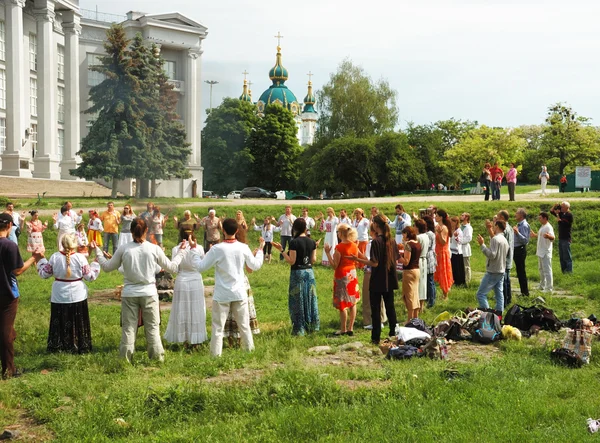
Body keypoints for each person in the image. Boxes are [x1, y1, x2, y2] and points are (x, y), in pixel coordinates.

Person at [94, 218, 185, 363]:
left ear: (131, 231)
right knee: (152, 328)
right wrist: (181, 252)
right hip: (149, 292)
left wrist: (98, 252)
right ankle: (157, 358)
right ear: (146, 231)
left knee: (129, 328)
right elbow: (172, 267)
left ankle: (125, 359)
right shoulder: (154, 248)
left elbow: (107, 267)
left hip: (130, 293)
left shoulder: (124, 249)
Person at [187, 219, 265, 357]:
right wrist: (260, 250)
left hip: (222, 294)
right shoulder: (243, 247)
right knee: (244, 325)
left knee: (218, 328)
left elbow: (200, 267)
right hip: (239, 293)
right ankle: (249, 351)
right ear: (236, 231)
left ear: (223, 230)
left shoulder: (217, 249)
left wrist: (193, 250)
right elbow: (255, 265)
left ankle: (215, 355)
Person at [35, 234, 100, 353]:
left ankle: (59, 346)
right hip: (77, 294)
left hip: (59, 294)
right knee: (78, 320)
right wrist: (96, 263)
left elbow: (44, 274)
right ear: (74, 244)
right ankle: (79, 345)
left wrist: (41, 259)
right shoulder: (80, 258)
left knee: (60, 320)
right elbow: (90, 277)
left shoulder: (55, 257)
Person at [347, 214, 398, 345]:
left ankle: (376, 337)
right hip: (389, 278)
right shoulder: (391, 240)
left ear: (375, 225)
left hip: (377, 278)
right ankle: (393, 332)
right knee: (390, 306)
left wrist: (357, 259)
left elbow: (374, 263)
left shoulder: (376, 242)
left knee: (375, 309)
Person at [0, 213, 36, 379]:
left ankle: (10, 365)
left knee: (8, 330)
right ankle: (8, 370)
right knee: (6, 333)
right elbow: (18, 270)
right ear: (8, 226)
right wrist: (34, 258)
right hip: (7, 293)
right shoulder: (9, 246)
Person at [273, 218, 320, 335]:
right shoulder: (312, 242)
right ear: (305, 228)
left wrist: (282, 250)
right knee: (310, 298)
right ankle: (313, 325)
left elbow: (292, 261)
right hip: (309, 273)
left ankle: (300, 328)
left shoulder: (294, 242)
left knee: (297, 300)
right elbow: (313, 260)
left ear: (295, 228)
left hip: (297, 273)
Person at [163, 235, 207, 347]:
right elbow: (201, 264)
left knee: (182, 310)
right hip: (196, 280)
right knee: (196, 309)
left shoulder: (176, 249)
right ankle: (196, 340)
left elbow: (175, 268)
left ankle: (183, 339)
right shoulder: (199, 248)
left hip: (181, 280)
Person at [223, 229, 261, 347]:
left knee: (228, 311)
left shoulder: (223, 248)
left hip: (226, 282)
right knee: (242, 312)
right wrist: (258, 251)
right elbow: (250, 269)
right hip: (242, 282)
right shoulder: (244, 248)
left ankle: (229, 339)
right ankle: (240, 340)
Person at [324, 224, 360, 336]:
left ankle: (343, 328)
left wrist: (327, 253)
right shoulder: (354, 245)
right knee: (353, 302)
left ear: (340, 234)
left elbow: (335, 265)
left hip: (342, 275)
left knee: (342, 303)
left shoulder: (339, 247)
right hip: (352, 274)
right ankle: (351, 327)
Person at [475, 220, 509, 315]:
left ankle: (488, 315)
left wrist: (482, 245)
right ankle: (499, 315)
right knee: (499, 295)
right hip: (501, 270)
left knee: (481, 294)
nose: (493, 228)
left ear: (497, 226)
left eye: (494, 226)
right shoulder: (504, 240)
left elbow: (492, 255)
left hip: (493, 270)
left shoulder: (495, 239)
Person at [361, 224, 387, 330]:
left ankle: (369, 320)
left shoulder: (371, 243)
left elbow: (369, 259)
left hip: (370, 272)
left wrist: (359, 256)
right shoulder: (385, 241)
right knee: (380, 297)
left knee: (367, 296)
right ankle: (381, 318)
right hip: (382, 272)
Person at [489, 210, 514, 308]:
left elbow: (499, 242)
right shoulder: (510, 227)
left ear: (502, 218)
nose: (497, 219)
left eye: (498, 217)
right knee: (507, 280)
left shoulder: (505, 230)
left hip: (504, 258)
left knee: (503, 282)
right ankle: (508, 300)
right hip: (508, 258)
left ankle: (503, 302)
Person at [398, 227, 421, 320]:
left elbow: (406, 261)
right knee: (415, 294)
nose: (402, 236)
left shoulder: (408, 245)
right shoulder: (417, 244)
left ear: (407, 234)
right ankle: (416, 318)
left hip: (409, 271)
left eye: (404, 234)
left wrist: (397, 255)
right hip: (417, 270)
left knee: (409, 295)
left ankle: (409, 319)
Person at [531, 212, 555, 292]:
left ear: (545, 218)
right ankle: (542, 285)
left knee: (547, 270)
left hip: (545, 252)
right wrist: (535, 235)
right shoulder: (543, 226)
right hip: (540, 251)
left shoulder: (548, 227)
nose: (539, 219)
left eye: (540, 218)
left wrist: (549, 236)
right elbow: (541, 235)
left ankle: (549, 288)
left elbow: (553, 238)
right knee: (541, 269)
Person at [434, 210, 453, 299]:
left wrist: (439, 233)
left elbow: (443, 241)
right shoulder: (438, 226)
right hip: (438, 251)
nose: (435, 217)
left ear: (441, 217)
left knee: (443, 273)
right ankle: (443, 293)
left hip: (443, 253)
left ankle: (445, 295)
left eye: (437, 216)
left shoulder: (444, 228)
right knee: (439, 272)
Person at [550, 201, 573, 274]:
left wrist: (558, 216)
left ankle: (569, 271)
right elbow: (551, 211)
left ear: (566, 208)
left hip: (566, 238)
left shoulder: (569, 215)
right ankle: (563, 271)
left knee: (567, 256)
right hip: (561, 238)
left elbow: (563, 223)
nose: (561, 208)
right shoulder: (562, 214)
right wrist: (555, 205)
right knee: (562, 256)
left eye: (562, 207)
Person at [512, 208, 531, 297]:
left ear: (521, 215)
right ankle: (523, 292)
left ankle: (525, 293)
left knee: (521, 272)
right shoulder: (519, 224)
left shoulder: (524, 225)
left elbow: (525, 240)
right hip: (516, 249)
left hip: (520, 249)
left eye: (517, 213)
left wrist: (517, 233)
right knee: (519, 271)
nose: (515, 214)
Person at [414, 219, 430, 313]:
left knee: (419, 284)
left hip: (419, 259)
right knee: (423, 283)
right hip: (424, 260)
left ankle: (418, 306)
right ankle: (422, 306)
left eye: (415, 226)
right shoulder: (426, 236)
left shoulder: (418, 237)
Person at [423, 215, 437, 308]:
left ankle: (431, 301)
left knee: (429, 281)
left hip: (429, 258)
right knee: (430, 280)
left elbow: (427, 247)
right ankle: (432, 297)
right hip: (431, 257)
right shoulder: (431, 233)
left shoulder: (429, 234)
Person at [449, 216, 465, 286]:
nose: (451, 223)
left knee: (457, 268)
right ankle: (453, 280)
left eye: (452, 221)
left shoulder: (459, 231)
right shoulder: (450, 230)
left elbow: (460, 241)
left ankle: (459, 282)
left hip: (457, 252)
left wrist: (456, 237)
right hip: (451, 251)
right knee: (452, 267)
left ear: (456, 222)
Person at [459, 212, 473, 285]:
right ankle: (461, 280)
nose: (461, 216)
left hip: (465, 249)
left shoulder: (468, 228)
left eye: (462, 215)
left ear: (466, 218)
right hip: (459, 249)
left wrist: (460, 241)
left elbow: (468, 238)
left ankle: (467, 281)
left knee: (466, 266)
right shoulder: (460, 226)